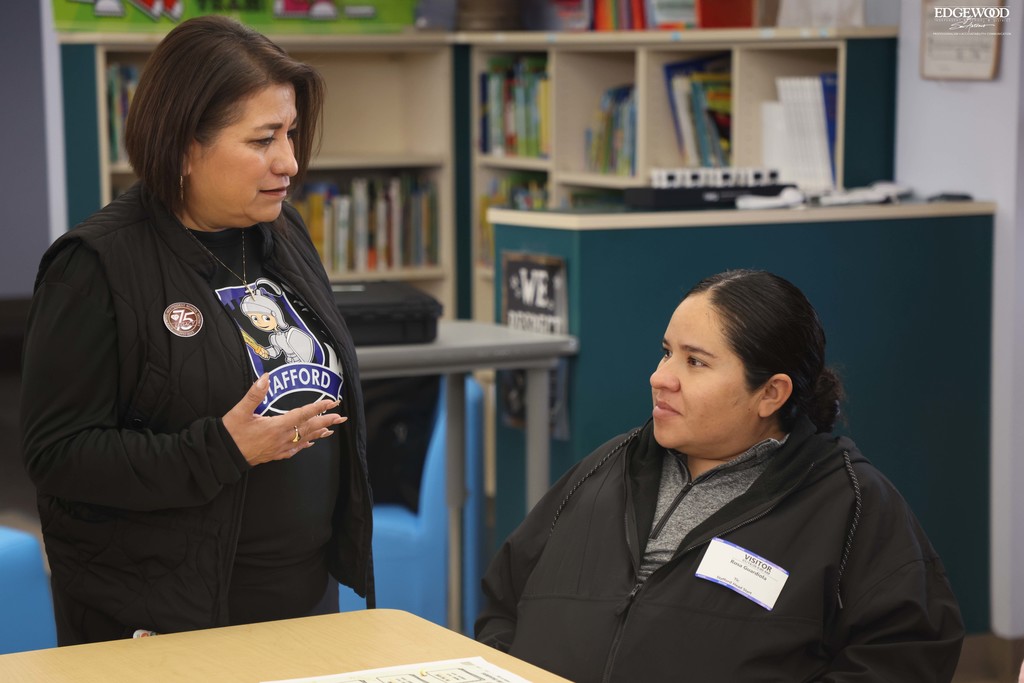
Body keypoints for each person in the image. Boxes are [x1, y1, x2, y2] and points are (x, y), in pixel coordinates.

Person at [20, 15, 374, 645]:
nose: (290, 161)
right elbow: (59, 456)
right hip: (166, 616)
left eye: (291, 133)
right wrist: (222, 448)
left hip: (303, 598)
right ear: (184, 146)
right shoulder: (95, 265)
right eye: (263, 139)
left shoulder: (282, 231)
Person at [476, 269, 964, 681]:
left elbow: (903, 658)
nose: (660, 377)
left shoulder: (853, 505)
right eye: (666, 352)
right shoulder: (607, 466)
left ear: (770, 394)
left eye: (695, 362)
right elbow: (504, 599)